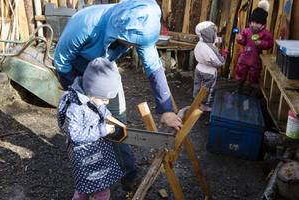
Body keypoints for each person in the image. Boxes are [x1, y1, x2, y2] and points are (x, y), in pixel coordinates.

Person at [54, 0, 183, 191]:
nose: (133, 47)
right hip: (77, 72)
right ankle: (90, 174)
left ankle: (129, 175)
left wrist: (166, 110)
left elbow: (154, 68)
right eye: (131, 43)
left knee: (116, 123)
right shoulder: (84, 25)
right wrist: (79, 96)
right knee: (85, 123)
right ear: (119, 31)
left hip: (104, 71)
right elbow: (61, 60)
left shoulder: (140, 27)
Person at [57, 57, 123, 200]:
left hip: (96, 154)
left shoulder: (94, 100)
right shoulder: (76, 108)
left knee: (90, 188)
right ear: (92, 92)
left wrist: (109, 119)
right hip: (84, 157)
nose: (106, 103)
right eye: (104, 99)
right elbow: (75, 134)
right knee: (93, 191)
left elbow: (102, 111)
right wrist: (102, 130)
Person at [235, 0, 273, 94]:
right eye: (253, 22)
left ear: (263, 24)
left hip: (255, 58)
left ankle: (252, 90)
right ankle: (239, 87)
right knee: (241, 71)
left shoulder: (265, 34)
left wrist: (261, 43)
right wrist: (240, 39)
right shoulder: (246, 31)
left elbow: (270, 44)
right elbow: (243, 42)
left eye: (257, 23)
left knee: (254, 74)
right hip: (244, 57)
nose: (254, 24)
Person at [193, 21, 225, 112]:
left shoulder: (200, 43)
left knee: (198, 86)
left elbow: (212, 41)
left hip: (199, 68)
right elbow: (218, 62)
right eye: (214, 32)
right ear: (209, 33)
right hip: (209, 72)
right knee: (206, 89)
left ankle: (196, 102)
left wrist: (218, 40)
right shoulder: (210, 48)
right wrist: (222, 60)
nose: (215, 34)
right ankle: (204, 105)